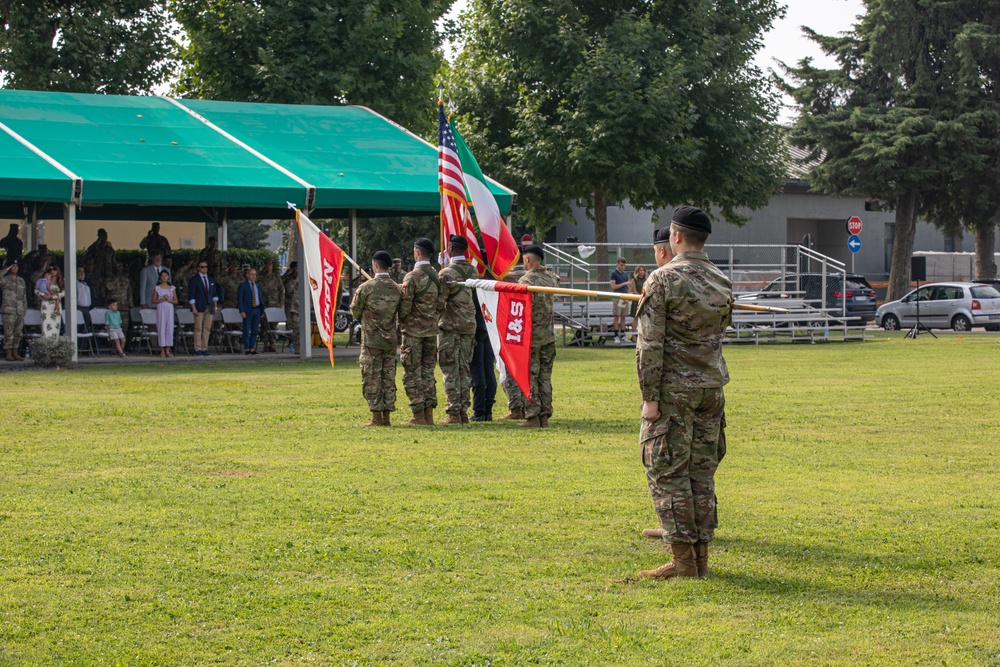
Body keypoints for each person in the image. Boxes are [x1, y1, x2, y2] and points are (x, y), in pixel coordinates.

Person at [635, 207, 733, 581]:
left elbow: (649, 346)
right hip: (711, 388)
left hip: (674, 391)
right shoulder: (721, 280)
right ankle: (700, 559)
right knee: (701, 473)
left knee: (667, 471)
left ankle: (684, 562)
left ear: (675, 236)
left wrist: (650, 398)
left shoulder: (662, 279)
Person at [349, 251, 402, 427]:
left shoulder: (366, 287)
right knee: (388, 378)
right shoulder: (396, 288)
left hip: (371, 341)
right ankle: (386, 417)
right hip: (390, 341)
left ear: (375, 265)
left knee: (371, 378)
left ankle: (376, 417)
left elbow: (355, 311)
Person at [397, 237, 440, 425]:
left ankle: (418, 415)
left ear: (417, 252)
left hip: (413, 332)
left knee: (412, 373)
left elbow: (405, 306)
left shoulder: (412, 277)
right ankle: (429, 415)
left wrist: (401, 319)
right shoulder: (437, 275)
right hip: (431, 331)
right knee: (428, 373)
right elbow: (440, 303)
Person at [437, 235, 478, 424]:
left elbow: (440, 301)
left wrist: (442, 269)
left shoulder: (446, 274)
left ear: (451, 249)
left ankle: (454, 412)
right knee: (464, 368)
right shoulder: (473, 270)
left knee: (450, 368)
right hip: (469, 325)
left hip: (451, 326)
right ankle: (462, 410)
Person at [518, 245, 558, 427]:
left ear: (527, 260)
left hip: (531, 336)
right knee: (545, 376)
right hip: (549, 334)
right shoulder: (551, 278)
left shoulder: (526, 280)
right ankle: (544, 416)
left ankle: (532, 416)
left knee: (530, 375)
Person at [498, 256, 528, 420]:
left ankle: (516, 408)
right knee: (528, 369)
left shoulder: (506, 277)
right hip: (528, 329)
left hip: (511, 327)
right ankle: (527, 406)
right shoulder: (531, 276)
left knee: (509, 368)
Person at [470, 269, 497, 421]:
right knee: (488, 370)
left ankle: (479, 410)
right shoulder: (492, 280)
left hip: (478, 327)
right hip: (490, 326)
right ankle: (488, 409)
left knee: (477, 370)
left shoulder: (476, 282)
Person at [188, 259, 219, 356]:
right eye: (202, 267)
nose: (204, 268)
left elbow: (214, 294)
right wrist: (193, 308)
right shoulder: (194, 279)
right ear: (198, 268)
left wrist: (215, 307)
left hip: (209, 307)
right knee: (198, 328)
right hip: (199, 306)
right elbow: (191, 295)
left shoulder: (210, 279)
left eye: (205, 267)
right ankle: (197, 349)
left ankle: (204, 348)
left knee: (207, 328)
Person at [0, 259, 27, 360]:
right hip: (8, 310)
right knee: (8, 333)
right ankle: (8, 353)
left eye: (16, 266)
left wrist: (24, 308)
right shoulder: (5, 279)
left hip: (19, 310)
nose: (15, 268)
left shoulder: (21, 280)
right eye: (13, 266)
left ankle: (15, 352)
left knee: (18, 333)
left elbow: (24, 296)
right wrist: (5, 269)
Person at [83, 228, 115, 306]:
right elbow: (88, 256)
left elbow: (113, 261)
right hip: (96, 275)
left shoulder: (109, 248)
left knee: (108, 294)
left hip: (108, 274)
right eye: (102, 235)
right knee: (96, 294)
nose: (104, 237)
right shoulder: (95, 246)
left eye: (105, 235)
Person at [258, 259, 284, 352]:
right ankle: (265, 344)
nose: (269, 267)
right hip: (264, 304)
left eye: (270, 265)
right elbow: (254, 280)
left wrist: (281, 304)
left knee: (273, 325)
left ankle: (272, 343)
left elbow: (281, 291)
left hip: (274, 304)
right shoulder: (261, 277)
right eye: (267, 265)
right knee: (265, 325)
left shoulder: (276, 278)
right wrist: (259, 270)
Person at [237, 267, 264, 354]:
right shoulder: (243, 285)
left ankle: (252, 347)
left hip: (257, 309)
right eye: (252, 274)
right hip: (248, 310)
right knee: (246, 329)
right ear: (247, 275)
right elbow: (240, 299)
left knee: (255, 329)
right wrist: (242, 311)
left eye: (255, 274)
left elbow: (260, 297)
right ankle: (247, 348)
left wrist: (261, 309)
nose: (253, 276)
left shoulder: (258, 285)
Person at [152, 270, 177, 357]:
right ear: (160, 277)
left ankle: (168, 349)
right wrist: (162, 299)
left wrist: (168, 299)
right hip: (161, 308)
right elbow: (153, 300)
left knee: (169, 328)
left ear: (168, 277)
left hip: (169, 308)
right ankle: (162, 349)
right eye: (162, 276)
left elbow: (176, 300)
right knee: (161, 327)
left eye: (166, 276)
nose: (164, 277)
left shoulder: (172, 288)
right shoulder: (157, 288)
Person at [104, 263, 133, 334]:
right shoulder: (109, 279)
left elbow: (129, 293)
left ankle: (123, 344)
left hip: (124, 308)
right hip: (113, 309)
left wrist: (131, 305)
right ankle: (114, 345)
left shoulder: (126, 280)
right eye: (117, 269)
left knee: (124, 328)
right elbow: (109, 287)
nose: (119, 271)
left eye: (120, 269)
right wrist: (116, 278)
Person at [34, 266, 62, 338]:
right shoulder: (43, 280)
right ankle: (46, 347)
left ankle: (55, 347)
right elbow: (36, 290)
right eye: (50, 270)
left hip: (56, 306)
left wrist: (52, 296)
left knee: (55, 329)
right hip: (46, 306)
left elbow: (63, 293)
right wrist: (43, 295)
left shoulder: (61, 281)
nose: (52, 271)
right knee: (46, 327)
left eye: (54, 269)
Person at [610, 257, 631, 343]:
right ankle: (615, 336)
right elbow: (613, 286)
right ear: (617, 264)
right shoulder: (613, 273)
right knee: (617, 316)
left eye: (624, 265)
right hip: (617, 296)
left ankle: (622, 335)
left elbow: (628, 286)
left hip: (623, 297)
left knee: (623, 316)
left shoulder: (625, 274)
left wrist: (627, 296)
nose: (622, 267)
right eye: (621, 265)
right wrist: (624, 284)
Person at [282, 261, 299, 352]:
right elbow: (281, 283)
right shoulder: (287, 278)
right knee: (289, 322)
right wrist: (287, 274)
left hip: (298, 304)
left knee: (297, 324)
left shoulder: (301, 277)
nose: (296, 270)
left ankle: (297, 341)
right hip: (289, 303)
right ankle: (291, 340)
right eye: (295, 268)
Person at [630, 265, 649, 334]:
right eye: (640, 270)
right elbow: (634, 291)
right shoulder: (634, 279)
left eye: (643, 270)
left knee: (644, 318)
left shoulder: (646, 280)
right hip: (637, 300)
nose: (641, 272)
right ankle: (634, 335)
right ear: (637, 271)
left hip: (644, 300)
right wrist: (640, 297)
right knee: (636, 318)